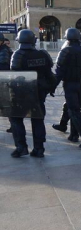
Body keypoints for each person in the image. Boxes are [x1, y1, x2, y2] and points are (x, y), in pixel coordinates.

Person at [9, 29, 56, 157]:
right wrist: (51, 88)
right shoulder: (43, 54)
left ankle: (21, 147)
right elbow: (49, 75)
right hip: (39, 93)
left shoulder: (17, 55)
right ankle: (39, 149)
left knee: (15, 118)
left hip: (22, 94)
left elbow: (14, 76)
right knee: (38, 119)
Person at [55, 28, 81, 148]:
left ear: (67, 39)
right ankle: (74, 135)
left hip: (71, 85)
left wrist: (52, 87)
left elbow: (59, 71)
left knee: (74, 111)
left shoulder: (65, 52)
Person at [0, 33, 14, 133]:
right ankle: (14, 125)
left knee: (6, 105)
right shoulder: (4, 49)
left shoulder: (4, 51)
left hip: (3, 82)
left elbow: (3, 66)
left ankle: (14, 125)